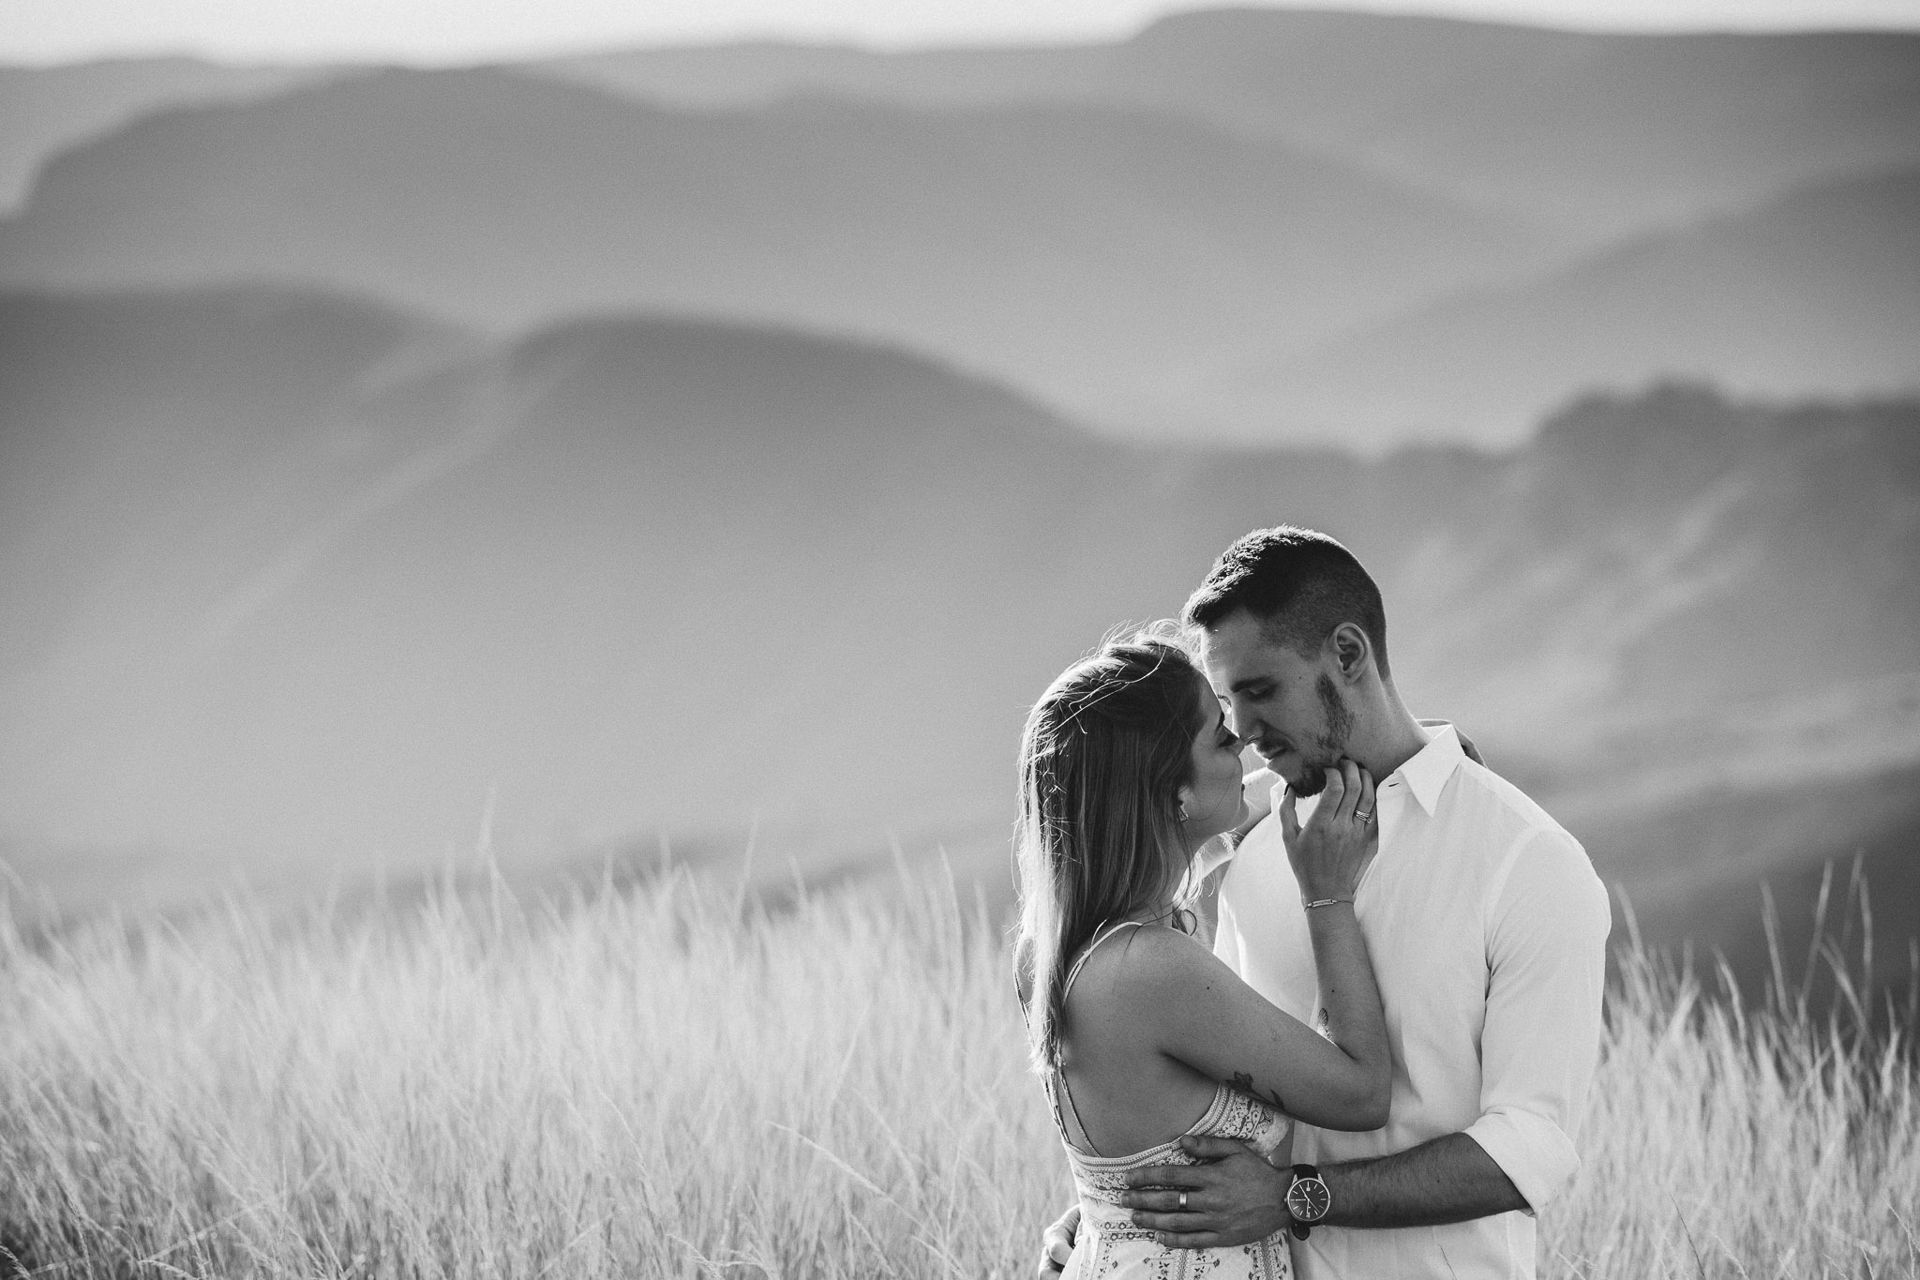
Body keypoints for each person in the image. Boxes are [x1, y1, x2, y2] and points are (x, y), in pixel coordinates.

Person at [1039, 526, 1612, 1280]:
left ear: (1348, 654)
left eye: (1261, 690)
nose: (1240, 732)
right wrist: (1110, 1211)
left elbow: (1529, 1147)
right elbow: (1161, 1042)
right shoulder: (1237, 832)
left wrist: (1295, 1197)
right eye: (1225, 702)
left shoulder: (1526, 861)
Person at [1015, 631, 1394, 1279]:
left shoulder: (1049, 949)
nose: (1244, 746)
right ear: (1172, 795)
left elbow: (1213, 827)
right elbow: (1362, 1094)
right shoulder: (1154, 969)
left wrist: (1405, 754)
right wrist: (1328, 897)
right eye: (1221, 737)